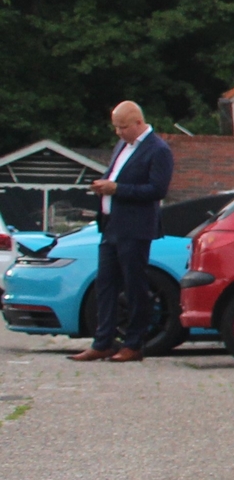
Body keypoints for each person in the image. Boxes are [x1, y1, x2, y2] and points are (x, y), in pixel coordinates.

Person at [68, 101, 174, 363]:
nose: (118, 132)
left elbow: (157, 190)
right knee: (105, 284)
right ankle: (103, 341)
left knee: (134, 284)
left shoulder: (158, 150)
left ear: (138, 123)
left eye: (123, 127)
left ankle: (134, 343)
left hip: (135, 228)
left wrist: (117, 189)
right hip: (111, 226)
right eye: (115, 127)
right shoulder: (122, 146)